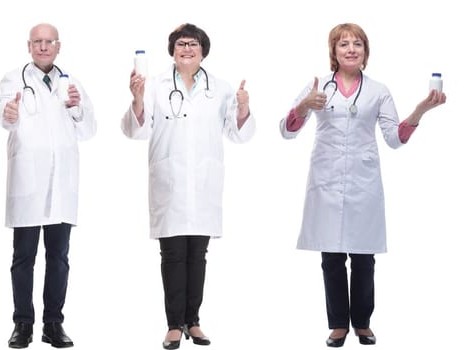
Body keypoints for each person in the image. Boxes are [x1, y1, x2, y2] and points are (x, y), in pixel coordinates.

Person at [279, 23, 446, 348]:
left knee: (364, 258)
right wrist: (302, 107)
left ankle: (363, 323)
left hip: (363, 182)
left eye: (357, 44)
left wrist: (420, 111)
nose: (351, 49)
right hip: (326, 182)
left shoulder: (378, 90)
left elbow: (394, 138)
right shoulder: (318, 86)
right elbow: (286, 131)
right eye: (344, 44)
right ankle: (338, 324)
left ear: (365, 52)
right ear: (334, 52)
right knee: (331, 258)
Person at [122, 23, 255, 349]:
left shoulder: (221, 88)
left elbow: (239, 134)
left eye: (193, 44)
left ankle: (193, 321)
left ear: (203, 51)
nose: (186, 49)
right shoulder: (153, 86)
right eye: (181, 44)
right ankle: (173, 324)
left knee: (198, 254)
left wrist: (243, 108)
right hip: (169, 183)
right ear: (172, 51)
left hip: (204, 184)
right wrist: (137, 100)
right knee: (172, 255)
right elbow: (135, 131)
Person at [0, 23, 96, 349]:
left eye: (49, 41)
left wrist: (76, 107)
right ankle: (22, 325)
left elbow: (89, 129)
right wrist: (7, 111)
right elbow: (1, 110)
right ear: (29, 45)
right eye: (37, 41)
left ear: (58, 46)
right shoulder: (13, 79)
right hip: (28, 182)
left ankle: (54, 324)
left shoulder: (72, 83)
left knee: (59, 258)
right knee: (23, 258)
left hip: (61, 184)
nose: (43, 46)